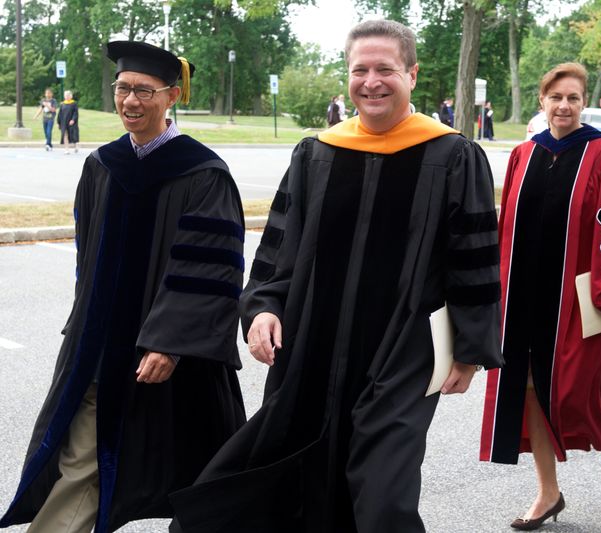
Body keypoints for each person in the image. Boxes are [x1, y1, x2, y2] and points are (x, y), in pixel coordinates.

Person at [169, 19, 502, 533]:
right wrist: (262, 308)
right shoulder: (316, 153)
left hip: (403, 351)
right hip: (311, 346)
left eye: (385, 69)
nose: (372, 81)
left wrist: (469, 349)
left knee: (384, 492)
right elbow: (280, 249)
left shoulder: (453, 156)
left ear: (411, 74)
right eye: (360, 70)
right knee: (296, 478)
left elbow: (473, 259)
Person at [0, 41, 246, 533]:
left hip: (174, 356)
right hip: (101, 347)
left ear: (172, 96)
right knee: (86, 457)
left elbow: (211, 271)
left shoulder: (203, 173)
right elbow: (87, 258)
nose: (130, 101)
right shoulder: (102, 165)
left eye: (144, 91)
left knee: (199, 469)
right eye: (122, 89)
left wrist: (169, 342)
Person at [480, 62, 601, 530]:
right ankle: (547, 493)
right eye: (556, 98)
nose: (565, 106)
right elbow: (505, 230)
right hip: (522, 299)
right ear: (542, 102)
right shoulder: (523, 154)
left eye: (573, 98)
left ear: (584, 102)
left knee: (578, 389)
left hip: (579, 301)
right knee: (530, 389)